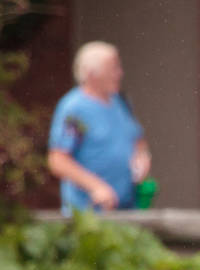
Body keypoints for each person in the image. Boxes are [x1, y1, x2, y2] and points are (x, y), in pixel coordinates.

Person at [47, 42, 151, 213]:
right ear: (91, 74)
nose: (120, 73)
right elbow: (58, 160)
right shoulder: (75, 109)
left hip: (126, 209)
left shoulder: (121, 102)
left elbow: (137, 141)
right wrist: (96, 187)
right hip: (89, 214)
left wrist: (142, 157)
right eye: (113, 68)